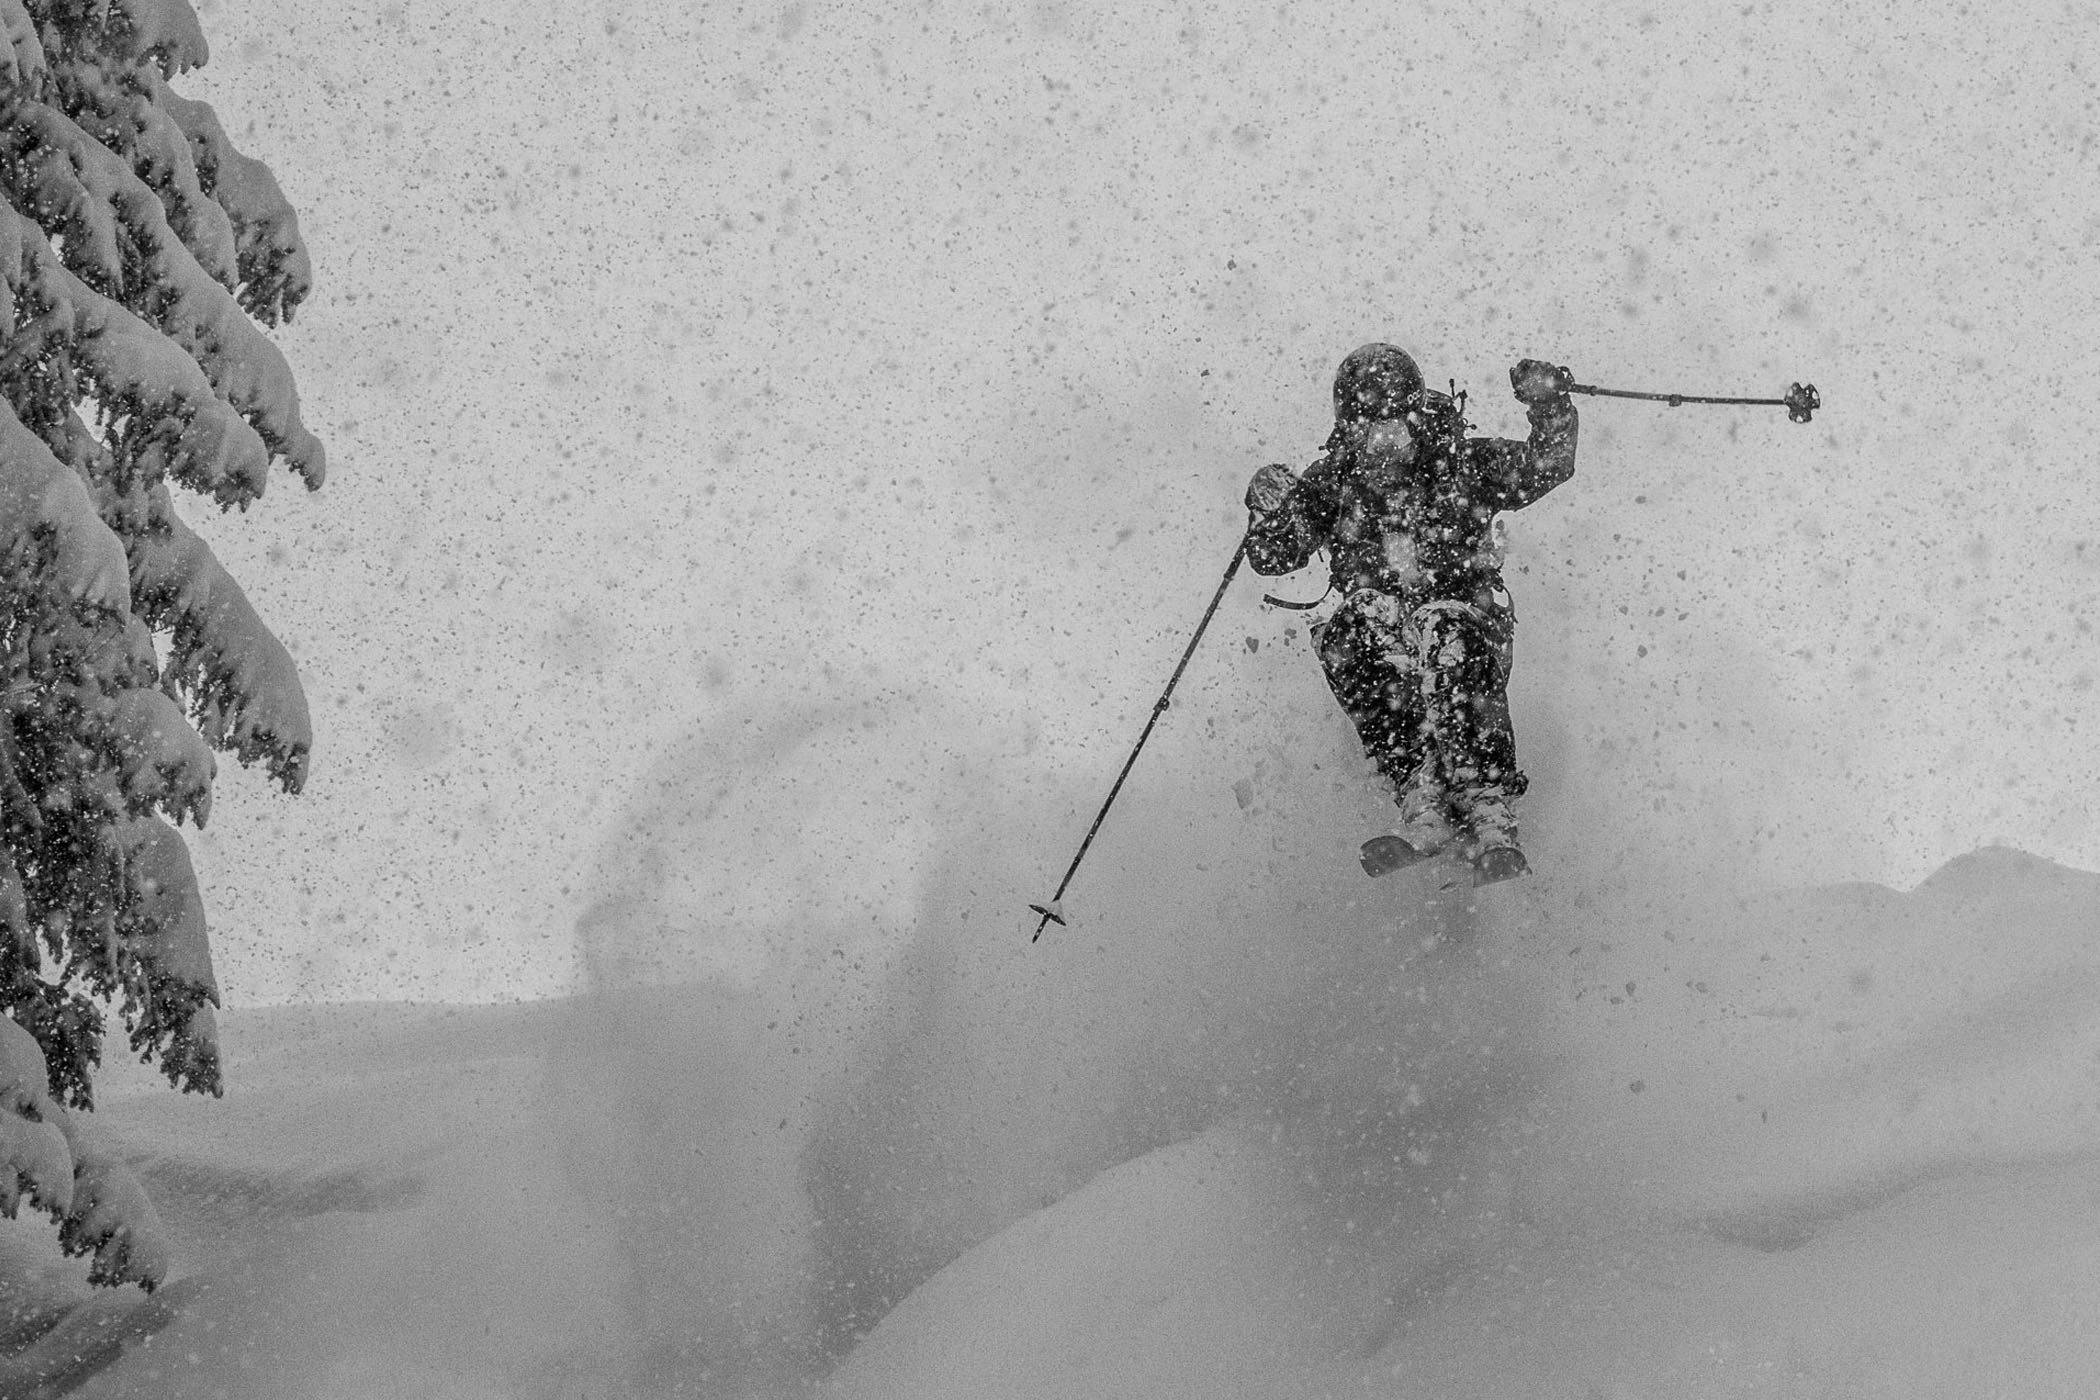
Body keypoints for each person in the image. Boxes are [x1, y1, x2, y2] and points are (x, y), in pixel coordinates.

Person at [1243, 343, 1577, 885]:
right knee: (1358, 618)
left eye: (1394, 425)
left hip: (1468, 629)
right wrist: (1270, 511)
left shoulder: (1461, 464)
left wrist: (1551, 406)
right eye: (1366, 431)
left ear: (1416, 413)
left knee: (1439, 623)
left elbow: (1548, 462)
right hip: (1385, 652)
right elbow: (1274, 555)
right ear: (1347, 430)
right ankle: (1418, 786)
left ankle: (1486, 796)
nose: (1383, 446)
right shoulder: (1333, 483)